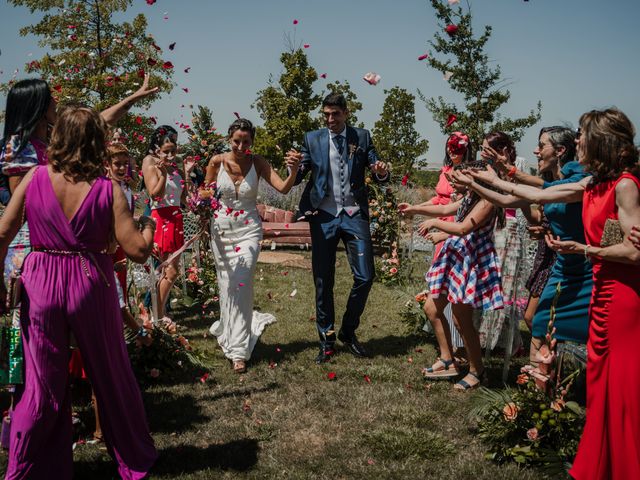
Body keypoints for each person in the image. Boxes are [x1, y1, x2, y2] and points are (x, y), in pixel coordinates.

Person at [0, 106, 158, 479]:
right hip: (91, 281)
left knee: (40, 383)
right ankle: (133, 455)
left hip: (41, 283)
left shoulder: (34, 177)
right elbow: (136, 250)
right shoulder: (109, 189)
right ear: (96, 143)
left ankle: (28, 467)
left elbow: (3, 232)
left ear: (58, 138)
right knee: (110, 372)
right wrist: (148, 224)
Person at [530, 109, 640, 480]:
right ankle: (599, 464)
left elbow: (633, 251)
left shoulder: (625, 185)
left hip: (623, 299)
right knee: (601, 385)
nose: (577, 141)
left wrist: (583, 250)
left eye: (582, 135)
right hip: (604, 292)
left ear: (600, 141)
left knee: (622, 389)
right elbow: (531, 193)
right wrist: (492, 181)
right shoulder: (595, 183)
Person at [0, 76, 158, 283]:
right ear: (37, 105)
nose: (56, 102)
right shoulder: (19, 146)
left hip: (67, 240)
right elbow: (24, 205)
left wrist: (132, 99)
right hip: (35, 246)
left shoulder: (50, 140)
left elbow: (94, 123)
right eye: (50, 98)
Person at [460, 129, 593, 353]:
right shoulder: (553, 178)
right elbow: (513, 200)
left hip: (577, 261)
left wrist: (502, 174)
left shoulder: (576, 177)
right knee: (538, 321)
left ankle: (553, 374)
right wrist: (476, 184)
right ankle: (542, 379)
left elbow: (538, 194)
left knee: (541, 321)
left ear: (560, 150)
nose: (535, 150)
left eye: (541, 146)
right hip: (556, 255)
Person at [398, 132, 507, 390]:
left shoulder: (488, 201)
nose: (453, 182)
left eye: (460, 179)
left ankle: (477, 370)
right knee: (432, 309)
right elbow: (446, 209)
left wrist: (438, 227)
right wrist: (414, 209)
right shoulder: (469, 197)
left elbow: (463, 228)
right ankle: (448, 360)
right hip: (456, 255)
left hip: (472, 260)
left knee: (460, 318)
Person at [292, 93, 388, 364]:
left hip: (354, 213)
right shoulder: (313, 138)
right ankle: (327, 338)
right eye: (326, 114)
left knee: (366, 276)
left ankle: (348, 330)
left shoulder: (362, 136)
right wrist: (293, 168)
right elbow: (302, 170)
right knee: (324, 280)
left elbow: (376, 167)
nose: (330, 119)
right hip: (324, 214)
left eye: (335, 114)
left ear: (346, 113)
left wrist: (380, 170)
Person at [205, 118, 300, 373]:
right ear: (229, 139)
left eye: (246, 141)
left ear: (252, 142)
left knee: (241, 281)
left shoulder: (258, 163)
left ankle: (239, 351)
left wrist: (293, 171)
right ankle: (228, 329)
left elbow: (282, 188)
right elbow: (205, 192)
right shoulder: (216, 162)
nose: (241, 145)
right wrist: (200, 198)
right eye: (236, 140)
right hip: (221, 229)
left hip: (248, 229)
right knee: (226, 283)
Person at [141, 125, 196, 323]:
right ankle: (158, 314)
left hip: (176, 217)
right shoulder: (152, 163)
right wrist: (163, 173)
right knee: (167, 270)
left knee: (170, 272)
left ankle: (159, 312)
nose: (172, 155)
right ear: (158, 148)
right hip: (162, 218)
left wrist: (187, 174)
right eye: (167, 151)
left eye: (174, 150)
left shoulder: (175, 165)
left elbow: (183, 197)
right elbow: (155, 194)